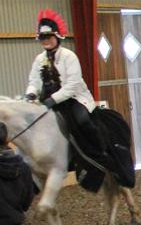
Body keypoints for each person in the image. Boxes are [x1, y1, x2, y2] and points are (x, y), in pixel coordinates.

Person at [24, 9, 110, 168]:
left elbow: (72, 85)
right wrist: (30, 94)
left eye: (49, 37)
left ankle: (100, 152)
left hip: (73, 99)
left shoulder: (69, 56)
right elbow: (34, 80)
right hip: (48, 100)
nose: (45, 41)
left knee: (82, 120)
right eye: (42, 38)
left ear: (57, 37)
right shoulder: (39, 59)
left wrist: (53, 99)